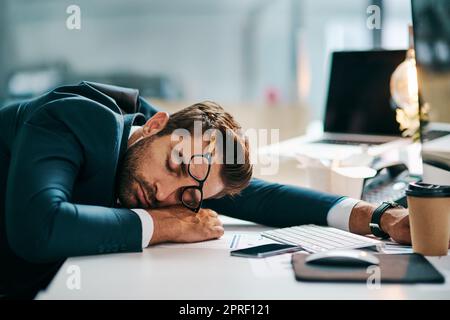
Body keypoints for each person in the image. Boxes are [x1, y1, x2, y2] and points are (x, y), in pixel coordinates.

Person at [0, 81, 411, 298]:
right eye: (176, 166)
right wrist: (163, 226)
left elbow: (259, 195)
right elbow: (39, 228)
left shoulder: (156, 140)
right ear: (157, 125)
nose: (164, 195)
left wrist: (376, 217)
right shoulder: (75, 118)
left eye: (187, 197)